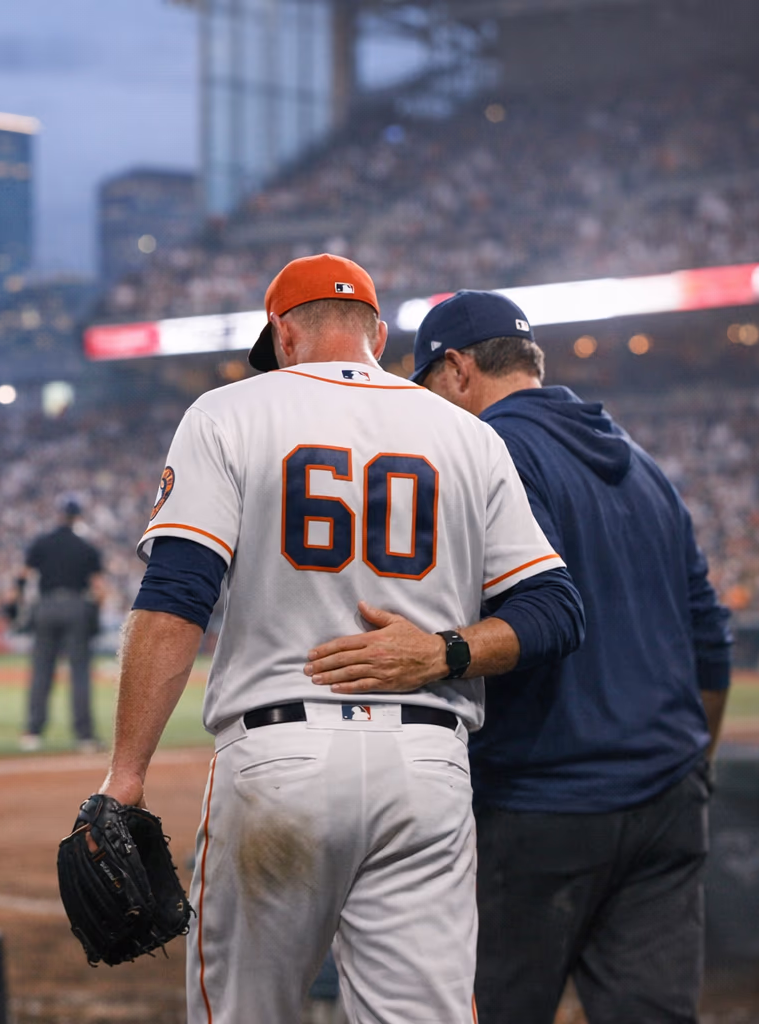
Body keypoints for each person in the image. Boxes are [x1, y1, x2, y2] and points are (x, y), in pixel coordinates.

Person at [96, 254, 584, 1023]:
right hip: (427, 766)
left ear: (282, 333)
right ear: (380, 333)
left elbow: (177, 597)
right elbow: (555, 608)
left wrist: (125, 775)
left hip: (281, 759)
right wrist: (445, 652)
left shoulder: (230, 411)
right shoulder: (467, 435)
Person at [406, 291, 733, 1024]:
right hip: (667, 802)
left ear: (458, 370)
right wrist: (690, 768)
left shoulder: (488, 454)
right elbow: (711, 640)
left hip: (538, 804)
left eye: (426, 387)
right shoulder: (645, 465)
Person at [21, 496, 105, 753]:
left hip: (46, 607)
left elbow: (22, 578)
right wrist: (93, 614)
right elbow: (99, 589)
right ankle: (84, 737)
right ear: (77, 517)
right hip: (76, 606)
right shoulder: (86, 546)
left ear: (59, 515)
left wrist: (18, 610)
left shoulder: (42, 542)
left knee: (41, 671)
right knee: (79, 673)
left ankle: (32, 733)